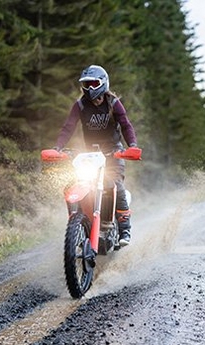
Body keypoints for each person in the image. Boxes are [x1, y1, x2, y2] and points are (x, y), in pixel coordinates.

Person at [54, 64, 139, 246]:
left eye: (94, 83)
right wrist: (58, 148)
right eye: (86, 84)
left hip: (113, 154)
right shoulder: (80, 105)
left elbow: (125, 125)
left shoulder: (113, 103)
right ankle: (76, 223)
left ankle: (125, 229)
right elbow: (68, 127)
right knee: (71, 184)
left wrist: (132, 146)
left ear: (103, 83)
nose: (90, 88)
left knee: (116, 184)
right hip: (90, 156)